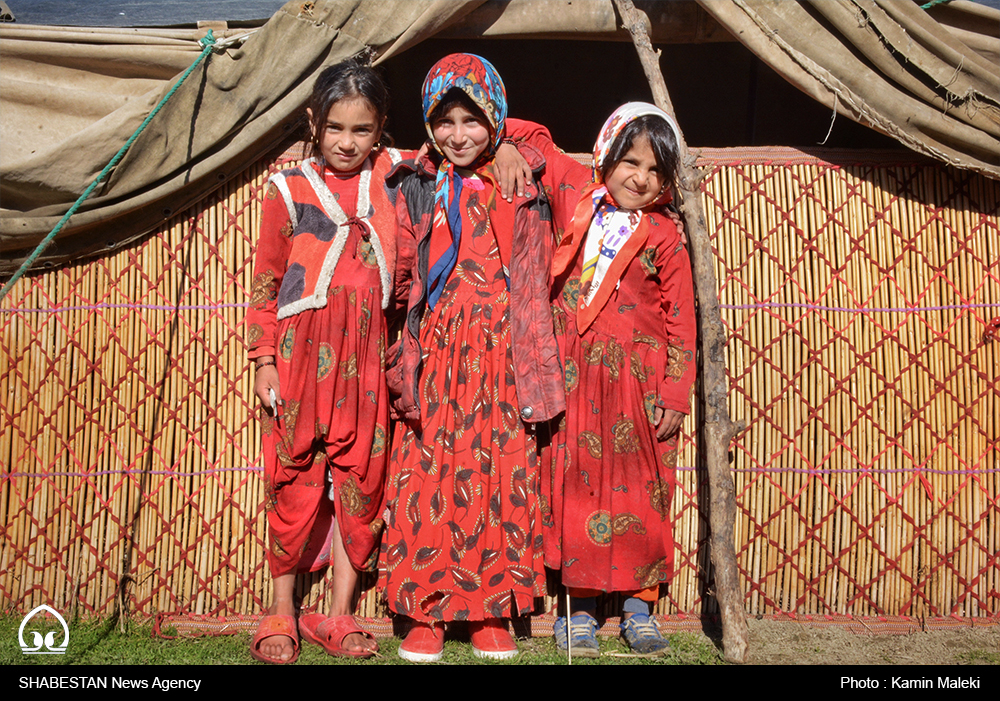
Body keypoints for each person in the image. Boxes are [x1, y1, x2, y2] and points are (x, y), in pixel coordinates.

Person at [383, 53, 574, 662]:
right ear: (428, 122)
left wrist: (512, 140)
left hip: (502, 349)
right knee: (430, 471)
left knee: (498, 472)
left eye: (474, 120)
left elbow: (554, 151)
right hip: (438, 350)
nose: (459, 135)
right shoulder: (415, 179)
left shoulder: (521, 174)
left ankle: (491, 611)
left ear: (494, 116)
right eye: (445, 120)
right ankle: (426, 614)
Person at [244, 58, 398, 663]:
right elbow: (266, 281)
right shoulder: (287, 190)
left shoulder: (394, 175)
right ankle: (281, 608)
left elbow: (467, 135)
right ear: (314, 121)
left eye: (361, 130)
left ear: (380, 128)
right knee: (293, 477)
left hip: (365, 357)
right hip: (299, 353)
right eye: (335, 128)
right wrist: (262, 360)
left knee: (361, 480)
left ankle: (337, 615)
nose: (347, 142)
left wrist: (517, 143)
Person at [542, 102, 697, 656]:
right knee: (577, 488)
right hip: (578, 377)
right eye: (630, 161)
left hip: (641, 386)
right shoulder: (579, 209)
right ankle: (578, 609)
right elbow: (527, 132)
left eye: (656, 171)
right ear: (606, 155)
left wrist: (676, 393)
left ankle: (639, 607)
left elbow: (683, 322)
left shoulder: (665, 237)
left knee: (644, 496)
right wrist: (507, 146)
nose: (641, 178)